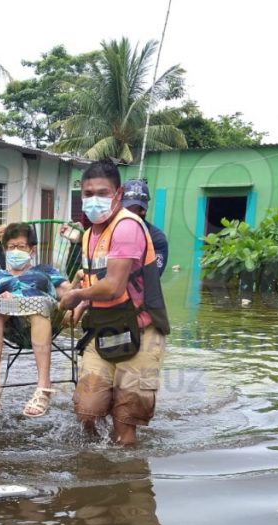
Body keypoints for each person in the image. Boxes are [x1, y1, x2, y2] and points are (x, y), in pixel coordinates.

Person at [58, 160, 170, 446]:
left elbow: (114, 284)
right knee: (87, 410)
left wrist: (75, 297)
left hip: (141, 331)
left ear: (117, 194)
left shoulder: (127, 226)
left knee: (125, 426)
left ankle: (124, 479)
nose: (94, 199)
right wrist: (83, 303)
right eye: (87, 193)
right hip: (103, 331)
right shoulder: (88, 236)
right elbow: (93, 281)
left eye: (102, 192)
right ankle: (95, 470)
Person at [0, 223, 73, 417]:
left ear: (32, 249)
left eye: (21, 247)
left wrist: (73, 307)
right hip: (12, 326)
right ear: (5, 250)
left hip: (45, 319)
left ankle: (43, 388)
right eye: (11, 247)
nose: (15, 251)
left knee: (37, 303)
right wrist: (2, 300)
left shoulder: (45, 270)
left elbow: (69, 292)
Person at [120, 179, 169, 277]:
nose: (136, 213)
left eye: (140, 209)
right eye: (129, 208)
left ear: (145, 209)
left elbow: (152, 276)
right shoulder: (108, 231)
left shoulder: (156, 238)